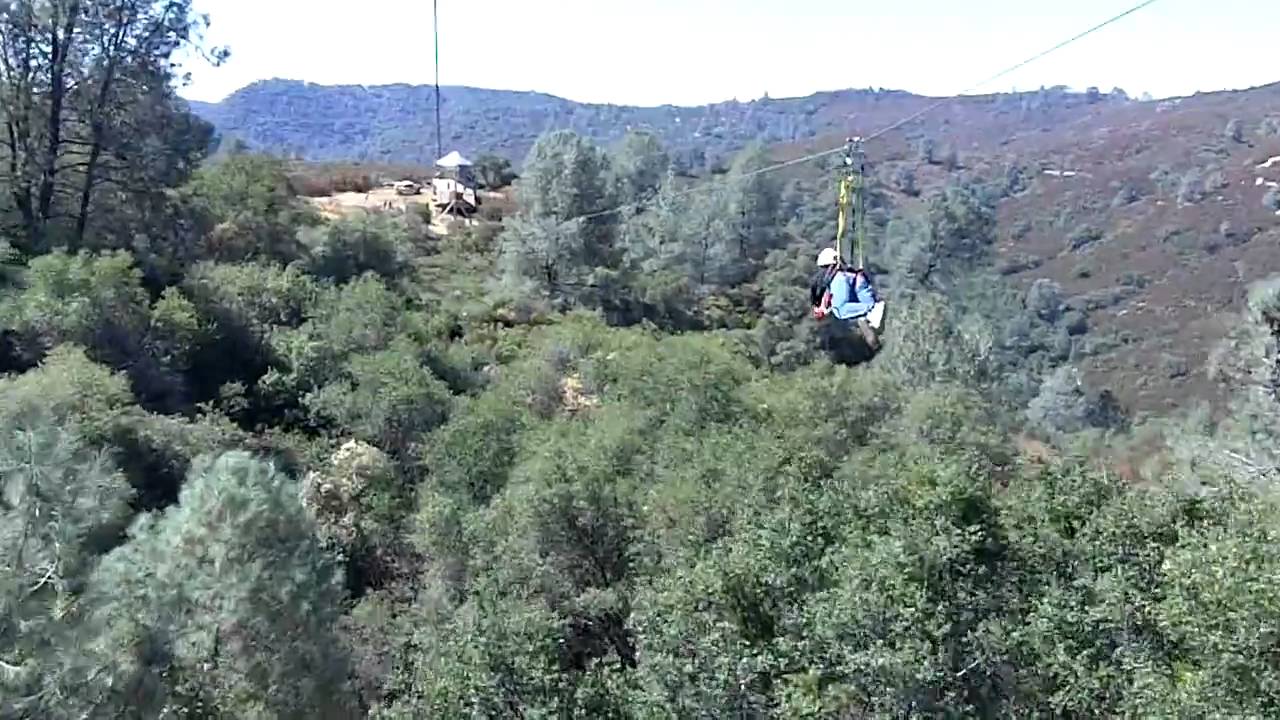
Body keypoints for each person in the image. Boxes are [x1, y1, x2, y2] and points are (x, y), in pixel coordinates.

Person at [810, 247, 881, 350]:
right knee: (860, 316)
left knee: (841, 310)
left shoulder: (827, 278)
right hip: (857, 281)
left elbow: (819, 289)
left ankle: (872, 309)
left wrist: (818, 305)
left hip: (845, 281)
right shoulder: (831, 279)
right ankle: (873, 310)